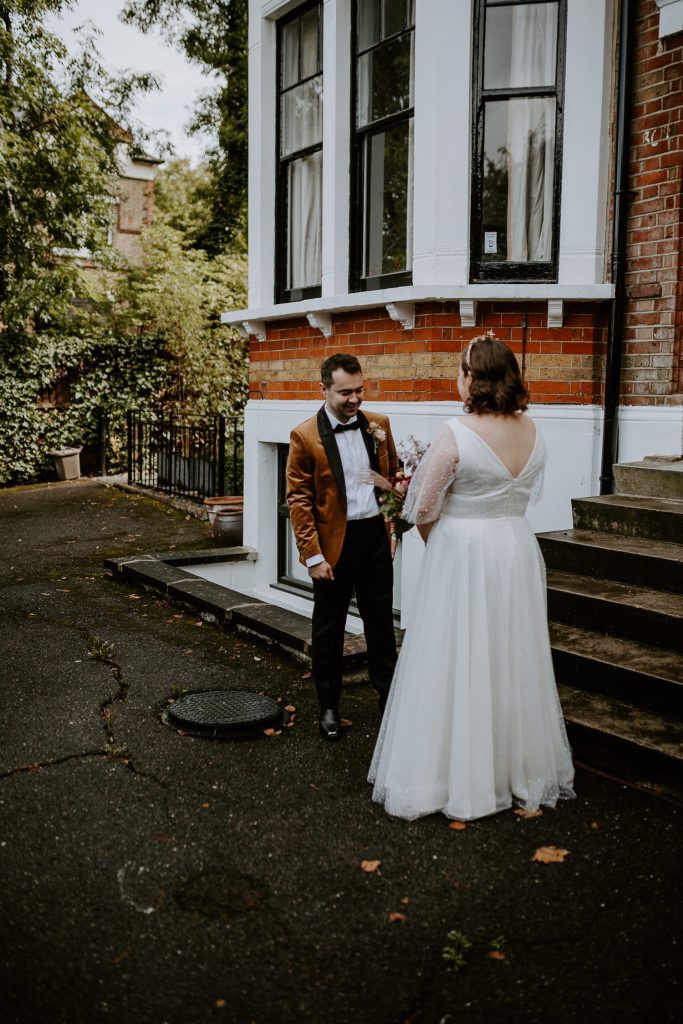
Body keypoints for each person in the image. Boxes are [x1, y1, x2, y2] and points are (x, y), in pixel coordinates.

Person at [369, 334, 575, 820]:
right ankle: (515, 771)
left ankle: (454, 779)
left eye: (461, 369)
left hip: (465, 550)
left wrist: (438, 539)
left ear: (472, 378)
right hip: (516, 546)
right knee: (510, 653)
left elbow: (422, 507)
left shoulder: (456, 432)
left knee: (457, 651)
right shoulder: (534, 431)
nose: (457, 377)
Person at [286, 353, 399, 741]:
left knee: (381, 623)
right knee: (329, 629)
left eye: (359, 390)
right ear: (324, 390)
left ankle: (388, 700)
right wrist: (313, 555)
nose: (354, 399)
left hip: (373, 539)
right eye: (345, 393)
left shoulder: (379, 426)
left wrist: (393, 528)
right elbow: (298, 501)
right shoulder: (304, 436)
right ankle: (329, 706)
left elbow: (393, 480)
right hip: (333, 544)